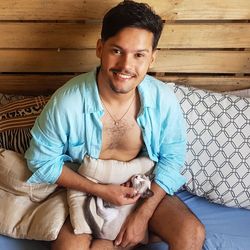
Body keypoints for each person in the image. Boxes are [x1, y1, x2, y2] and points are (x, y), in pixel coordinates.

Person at [25, 1, 205, 249]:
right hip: (85, 187)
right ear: (100, 48)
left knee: (192, 234)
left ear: (151, 58)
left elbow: (172, 158)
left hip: (142, 187)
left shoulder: (162, 99)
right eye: (117, 51)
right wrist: (101, 191)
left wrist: (142, 215)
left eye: (139, 55)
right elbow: (41, 161)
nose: (126, 66)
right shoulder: (67, 102)